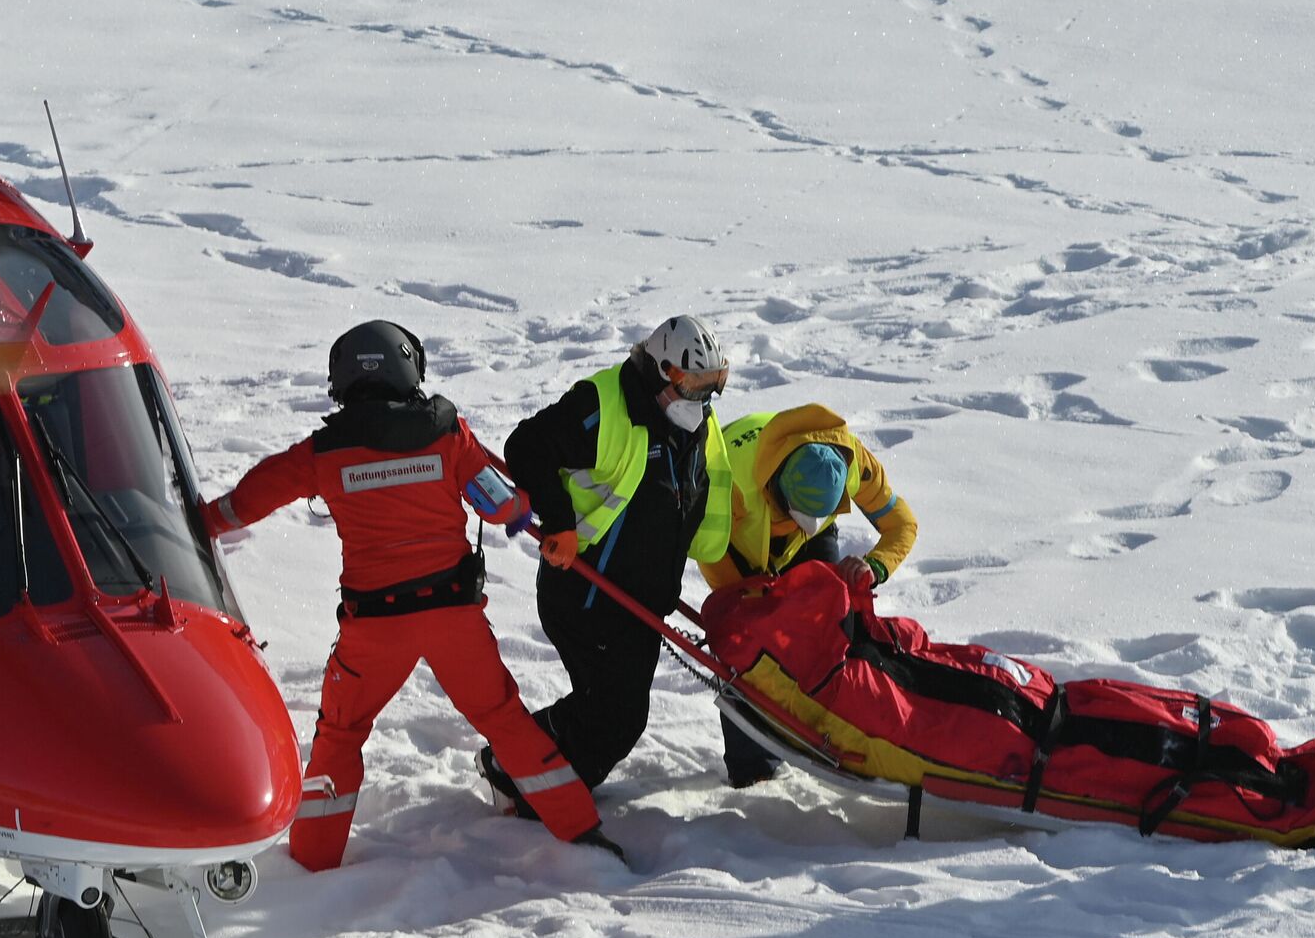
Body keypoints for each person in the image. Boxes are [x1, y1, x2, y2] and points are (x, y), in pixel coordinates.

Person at [200, 320, 613, 869]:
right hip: (454, 621)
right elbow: (505, 506)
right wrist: (518, 510)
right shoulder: (447, 434)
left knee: (341, 735)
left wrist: (196, 522)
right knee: (506, 722)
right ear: (409, 370)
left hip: (374, 629)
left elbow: (245, 503)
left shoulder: (322, 452)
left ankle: (313, 863)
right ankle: (581, 831)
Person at [481, 315, 733, 807]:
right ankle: (525, 783)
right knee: (614, 716)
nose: (704, 399)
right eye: (696, 385)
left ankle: (526, 774)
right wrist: (559, 524)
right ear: (665, 372)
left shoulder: (696, 424)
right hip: (585, 592)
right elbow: (525, 447)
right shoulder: (603, 405)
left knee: (616, 715)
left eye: (713, 386)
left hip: (640, 603)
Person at [698, 404, 919, 786]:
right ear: (777, 487)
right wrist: (760, 599)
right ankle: (753, 772)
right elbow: (710, 554)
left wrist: (875, 566)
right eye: (801, 512)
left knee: (831, 627)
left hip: (806, 539)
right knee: (749, 652)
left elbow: (902, 524)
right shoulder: (729, 486)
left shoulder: (850, 461)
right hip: (736, 543)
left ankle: (832, 733)